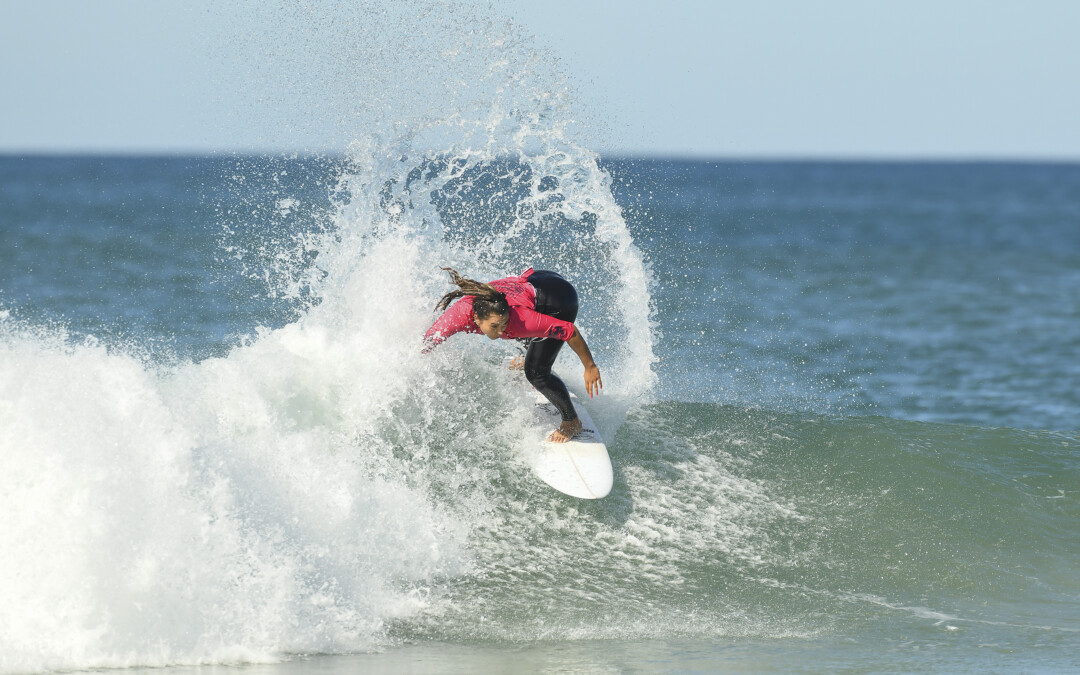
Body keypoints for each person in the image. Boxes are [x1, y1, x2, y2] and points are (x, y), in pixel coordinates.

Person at [423, 267, 603, 442]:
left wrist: (589, 366)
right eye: (494, 326)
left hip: (560, 298)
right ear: (476, 319)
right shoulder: (458, 315)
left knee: (536, 373)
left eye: (504, 324)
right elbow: (428, 340)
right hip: (538, 280)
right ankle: (532, 353)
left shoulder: (520, 319)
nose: (500, 332)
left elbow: (570, 331)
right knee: (515, 332)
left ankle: (572, 422)